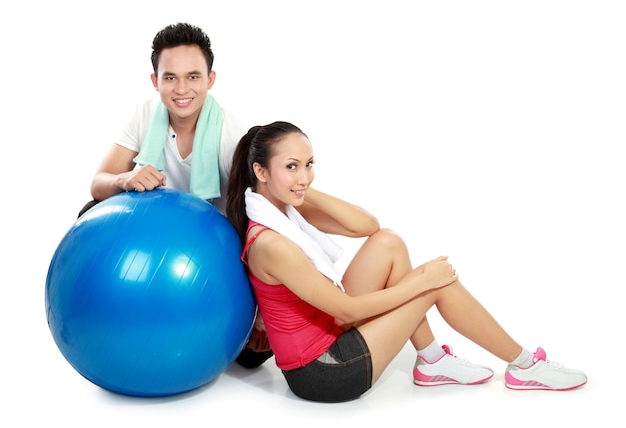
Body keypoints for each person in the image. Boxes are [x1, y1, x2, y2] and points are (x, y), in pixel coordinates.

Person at [225, 121, 587, 403]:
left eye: (309, 164)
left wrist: (296, 185)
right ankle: (525, 366)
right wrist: (423, 281)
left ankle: (431, 359)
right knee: (437, 283)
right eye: (291, 165)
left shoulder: (283, 211)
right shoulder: (271, 242)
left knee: (389, 243)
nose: (304, 174)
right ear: (261, 172)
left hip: (329, 332)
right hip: (324, 373)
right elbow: (347, 310)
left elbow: (368, 226)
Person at [78, 22, 272, 369]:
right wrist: (126, 177)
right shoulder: (144, 115)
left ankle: (228, 320)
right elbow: (99, 182)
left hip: (213, 250)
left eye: (193, 77)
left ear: (211, 79)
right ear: (155, 81)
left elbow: (263, 217)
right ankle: (114, 315)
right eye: (170, 77)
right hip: (154, 238)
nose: (182, 88)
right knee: (90, 210)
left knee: (249, 360)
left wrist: (261, 315)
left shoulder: (231, 131)